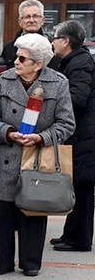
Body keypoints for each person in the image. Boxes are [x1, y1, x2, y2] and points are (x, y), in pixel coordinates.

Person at [0, 33, 75, 275]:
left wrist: (41, 138)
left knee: (34, 208)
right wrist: (9, 132)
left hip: (38, 156)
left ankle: (31, 262)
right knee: (2, 211)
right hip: (8, 153)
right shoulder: (4, 80)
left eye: (22, 58)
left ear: (38, 64)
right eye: (17, 56)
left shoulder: (58, 82)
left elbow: (67, 124)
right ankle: (2, 262)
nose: (16, 61)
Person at [49, 20, 95, 252]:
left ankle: (80, 239)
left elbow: (77, 97)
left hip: (85, 134)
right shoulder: (71, 61)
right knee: (76, 185)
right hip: (80, 134)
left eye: (55, 38)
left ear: (66, 41)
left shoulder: (80, 63)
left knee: (83, 187)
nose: (52, 42)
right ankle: (70, 234)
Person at [1, 0, 46, 69]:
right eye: (27, 17)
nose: (31, 20)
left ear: (43, 20)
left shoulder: (49, 48)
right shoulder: (9, 48)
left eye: (35, 16)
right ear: (20, 21)